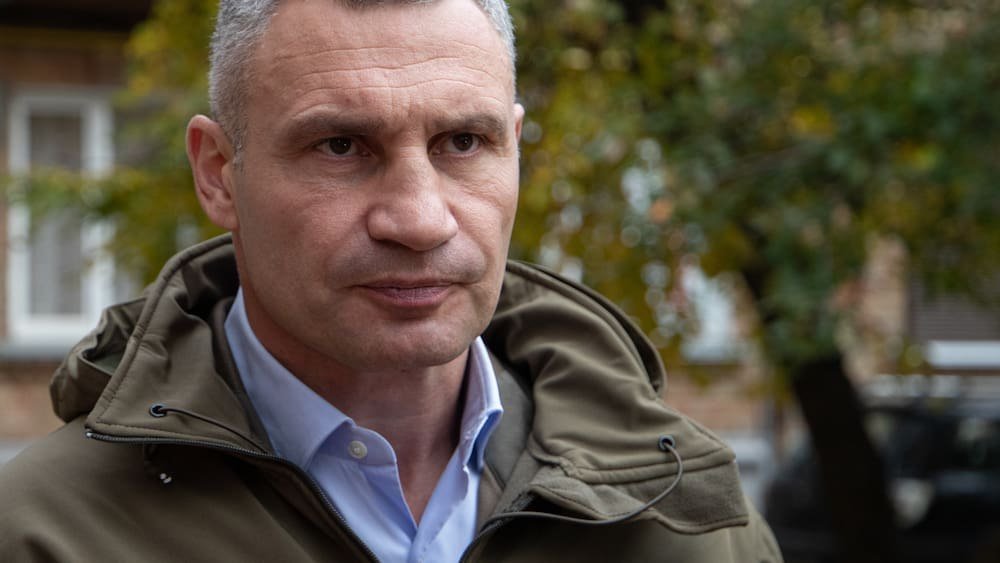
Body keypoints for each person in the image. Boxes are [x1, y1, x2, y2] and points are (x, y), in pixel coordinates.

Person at [0, 0, 782, 561]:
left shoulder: (685, 516)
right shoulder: (47, 534)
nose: (419, 219)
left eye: (463, 141)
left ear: (515, 148)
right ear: (218, 174)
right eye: (341, 145)